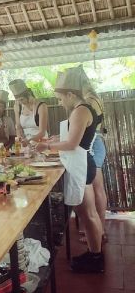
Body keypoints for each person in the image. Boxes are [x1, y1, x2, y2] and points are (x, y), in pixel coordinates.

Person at [36, 67, 104, 273]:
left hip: (81, 165)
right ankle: (96, 255)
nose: (60, 102)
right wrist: (56, 139)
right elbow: (76, 137)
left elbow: (73, 143)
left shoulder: (80, 110)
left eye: (60, 98)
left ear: (71, 94)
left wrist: (47, 146)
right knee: (89, 215)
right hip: (83, 163)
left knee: (88, 215)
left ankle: (96, 259)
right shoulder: (82, 108)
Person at [78, 67, 108, 244]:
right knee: (97, 188)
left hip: (94, 144)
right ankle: (97, 228)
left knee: (97, 188)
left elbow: (87, 128)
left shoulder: (90, 100)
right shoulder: (93, 98)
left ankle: (100, 229)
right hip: (96, 143)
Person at [9, 79, 48, 143]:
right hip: (25, 142)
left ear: (28, 95)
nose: (21, 102)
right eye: (18, 100)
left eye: (22, 99)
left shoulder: (41, 106)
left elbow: (42, 132)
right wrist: (21, 139)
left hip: (40, 142)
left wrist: (29, 140)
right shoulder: (18, 106)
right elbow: (18, 127)